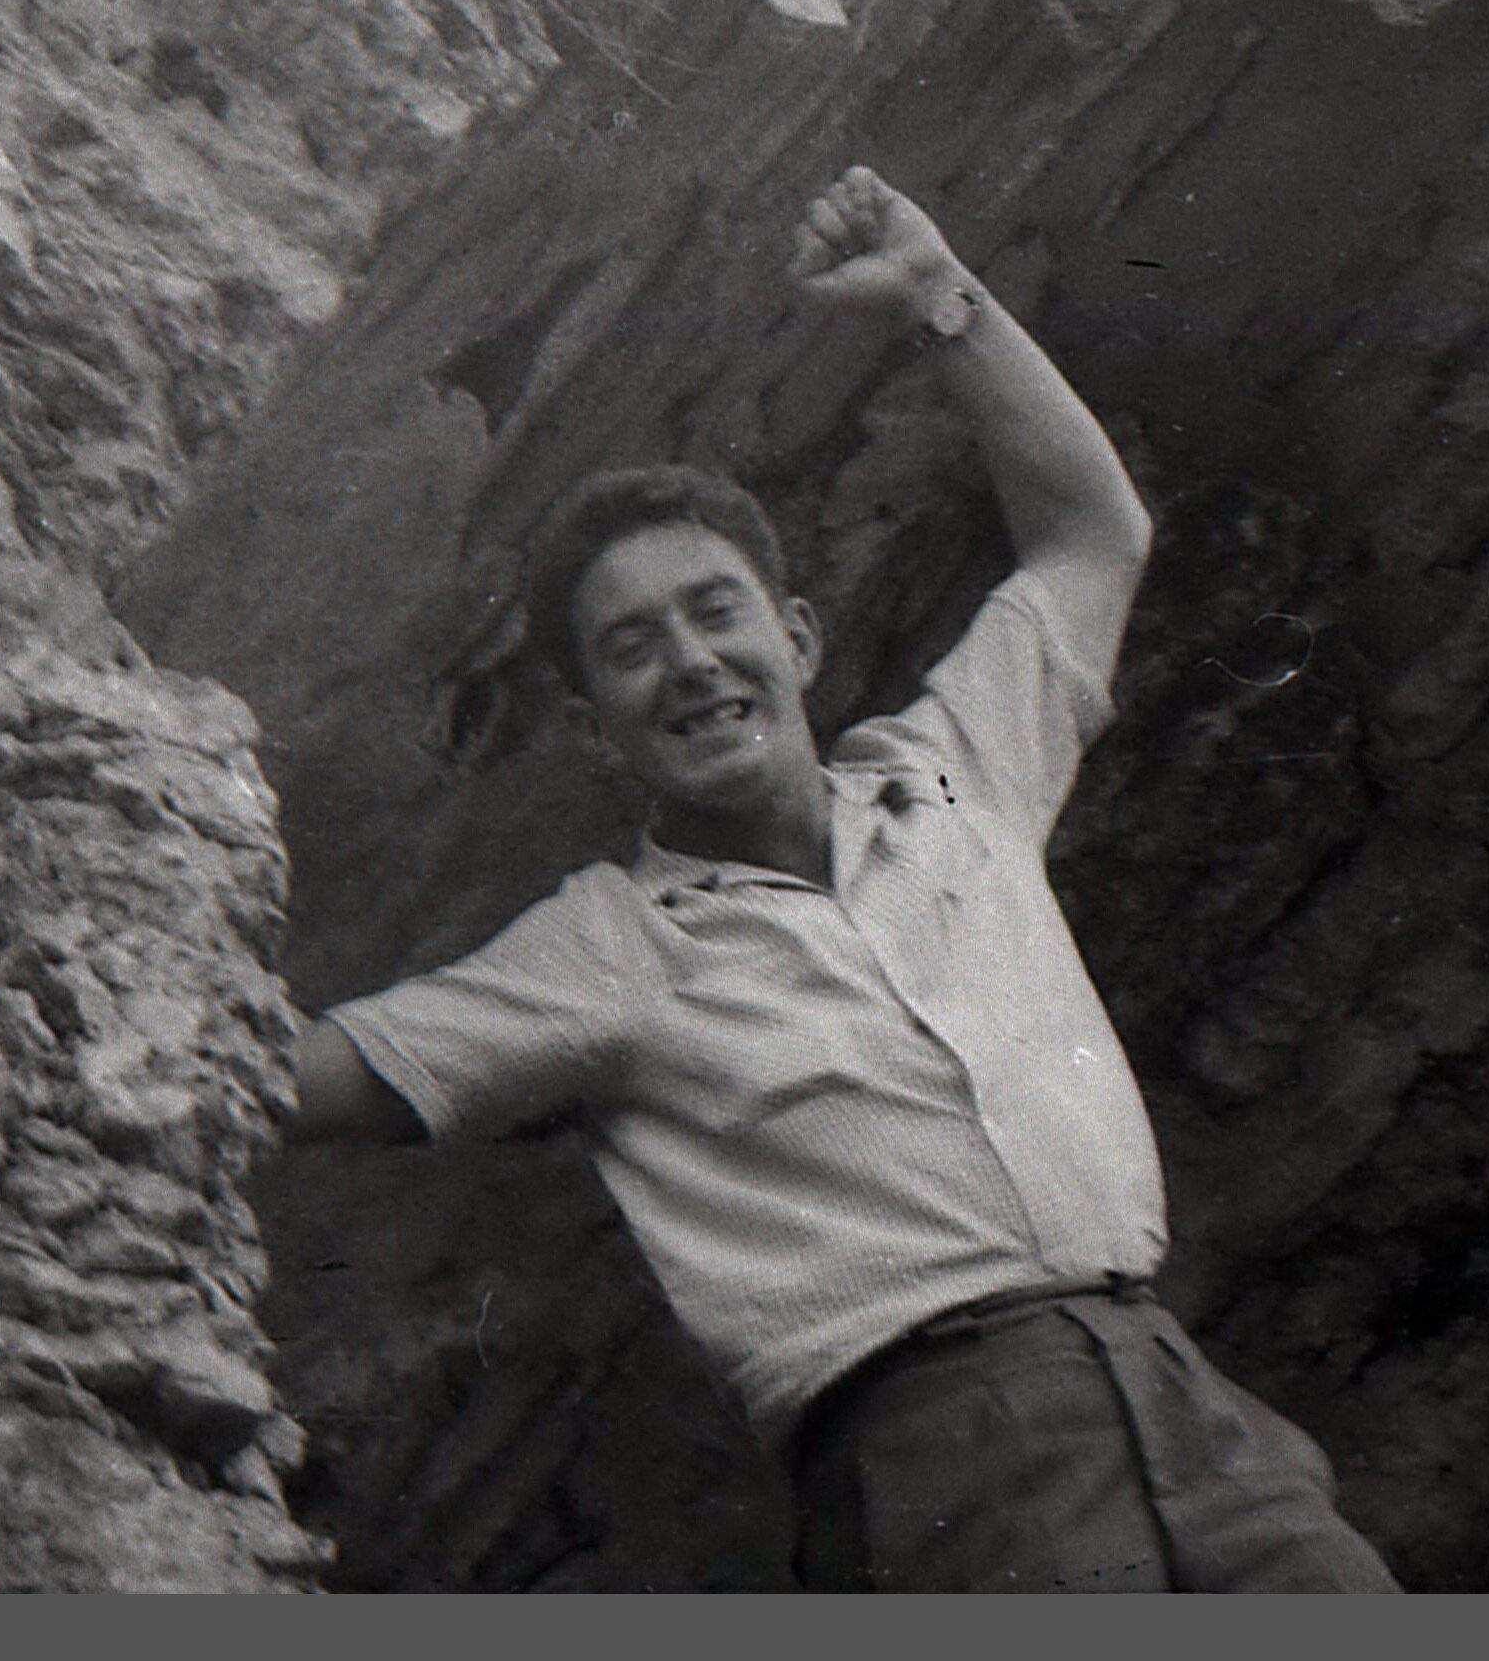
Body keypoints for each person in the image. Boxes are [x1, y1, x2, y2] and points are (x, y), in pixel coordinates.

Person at [280, 165, 1399, 1592]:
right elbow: (315, 1075)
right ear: (594, 725)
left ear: (797, 637)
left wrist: (941, 296)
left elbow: (1091, 536)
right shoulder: (610, 946)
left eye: (716, 612)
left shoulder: (955, 772)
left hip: (1189, 1405)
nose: (691, 662)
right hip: (944, 1455)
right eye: (631, 648)